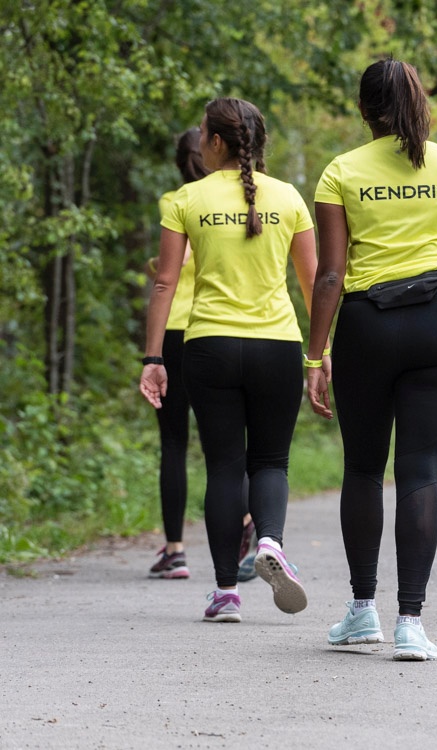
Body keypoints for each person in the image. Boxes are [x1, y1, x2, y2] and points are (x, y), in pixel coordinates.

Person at [306, 59, 437, 661]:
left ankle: (361, 611)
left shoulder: (341, 171)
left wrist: (315, 356)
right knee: (420, 471)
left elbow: (330, 275)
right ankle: (411, 623)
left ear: (363, 109)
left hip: (367, 327)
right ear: (421, 103)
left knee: (364, 469)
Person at [140, 97, 317, 624]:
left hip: (209, 346)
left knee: (223, 465)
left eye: (202, 133)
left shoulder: (187, 198)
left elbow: (165, 283)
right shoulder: (288, 197)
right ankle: (270, 541)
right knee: (272, 462)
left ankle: (225, 594)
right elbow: (313, 283)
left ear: (216, 142)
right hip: (277, 344)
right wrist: (322, 354)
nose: (200, 140)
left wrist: (153, 356)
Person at [145, 127, 258, 584]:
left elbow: (172, 268)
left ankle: (175, 551)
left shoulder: (177, 201)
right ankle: (247, 521)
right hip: (219, 328)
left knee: (174, 442)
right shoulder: (243, 198)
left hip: (176, 330)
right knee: (224, 445)